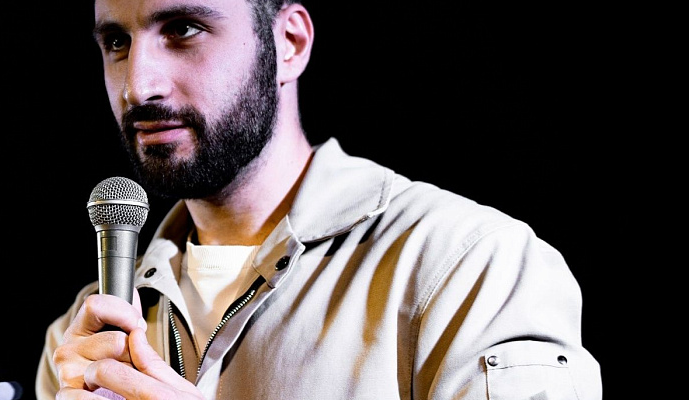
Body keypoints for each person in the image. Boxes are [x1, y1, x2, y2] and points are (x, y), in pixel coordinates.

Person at [35, 0, 603, 398]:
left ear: (290, 43)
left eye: (183, 28)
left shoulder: (467, 264)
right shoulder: (81, 336)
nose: (139, 85)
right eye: (117, 42)